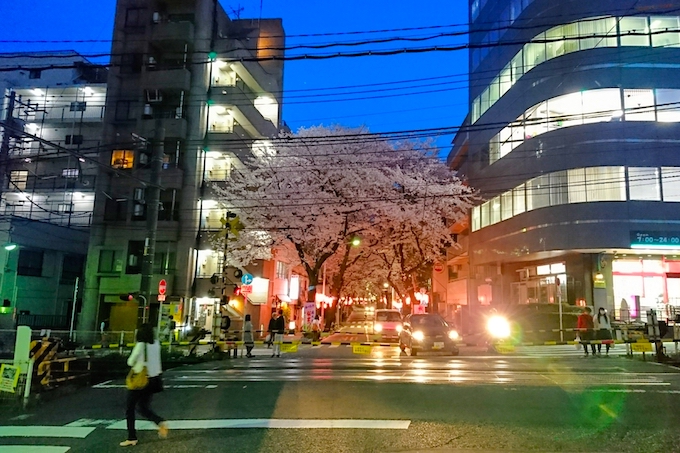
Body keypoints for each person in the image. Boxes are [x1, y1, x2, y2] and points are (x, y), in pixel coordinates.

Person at [120, 324, 168, 447]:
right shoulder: (156, 344)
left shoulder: (141, 345)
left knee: (129, 409)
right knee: (142, 407)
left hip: (140, 381)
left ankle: (132, 437)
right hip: (153, 380)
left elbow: (130, 361)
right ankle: (160, 421)